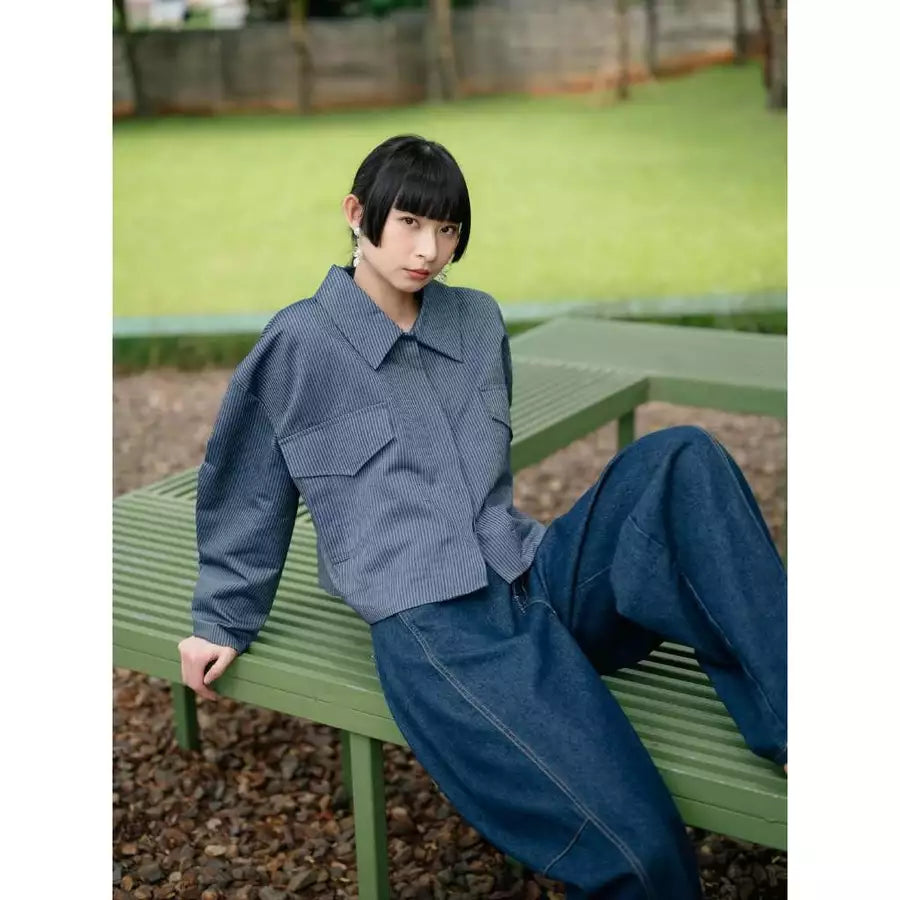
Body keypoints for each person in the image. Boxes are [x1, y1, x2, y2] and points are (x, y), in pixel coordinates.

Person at [177, 134, 787, 899]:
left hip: (532, 572)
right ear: (356, 215)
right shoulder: (299, 343)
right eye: (409, 224)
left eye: (449, 231)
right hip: (444, 632)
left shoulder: (475, 321)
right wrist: (221, 620)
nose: (429, 250)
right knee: (641, 853)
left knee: (681, 459)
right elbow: (246, 488)